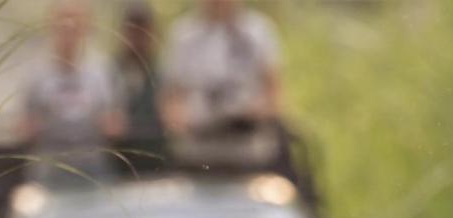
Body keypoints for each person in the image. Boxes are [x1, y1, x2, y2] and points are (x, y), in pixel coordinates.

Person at [21, 0, 123, 186]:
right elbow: (25, 123)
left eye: (76, 21)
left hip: (92, 161)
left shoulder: (102, 69)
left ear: (87, 26)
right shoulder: (36, 71)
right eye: (63, 20)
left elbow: (115, 120)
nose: (69, 27)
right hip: (50, 162)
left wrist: (109, 125)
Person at [160, 0, 283, 135]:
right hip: (197, 140)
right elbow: (171, 96)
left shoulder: (259, 30)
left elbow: (274, 90)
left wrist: (259, 110)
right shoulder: (183, 33)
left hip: (250, 139)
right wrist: (178, 119)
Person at [114, 1, 167, 173]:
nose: (137, 37)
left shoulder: (162, 72)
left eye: (142, 30)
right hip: (121, 166)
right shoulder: (109, 73)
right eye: (132, 31)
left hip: (158, 162)